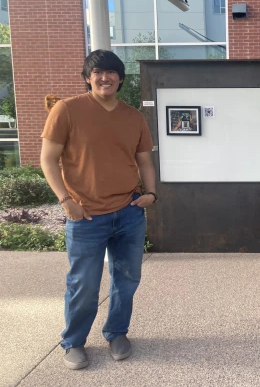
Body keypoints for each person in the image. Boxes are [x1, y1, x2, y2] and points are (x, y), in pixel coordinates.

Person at [40, 49, 158, 370]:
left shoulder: (132, 116)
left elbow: (144, 159)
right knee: (84, 283)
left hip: (129, 212)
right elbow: (48, 159)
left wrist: (151, 193)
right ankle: (74, 342)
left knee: (127, 278)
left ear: (120, 78)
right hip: (85, 215)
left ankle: (117, 332)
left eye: (111, 72)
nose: (104, 78)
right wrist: (66, 201)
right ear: (88, 77)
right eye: (97, 73)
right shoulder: (67, 110)